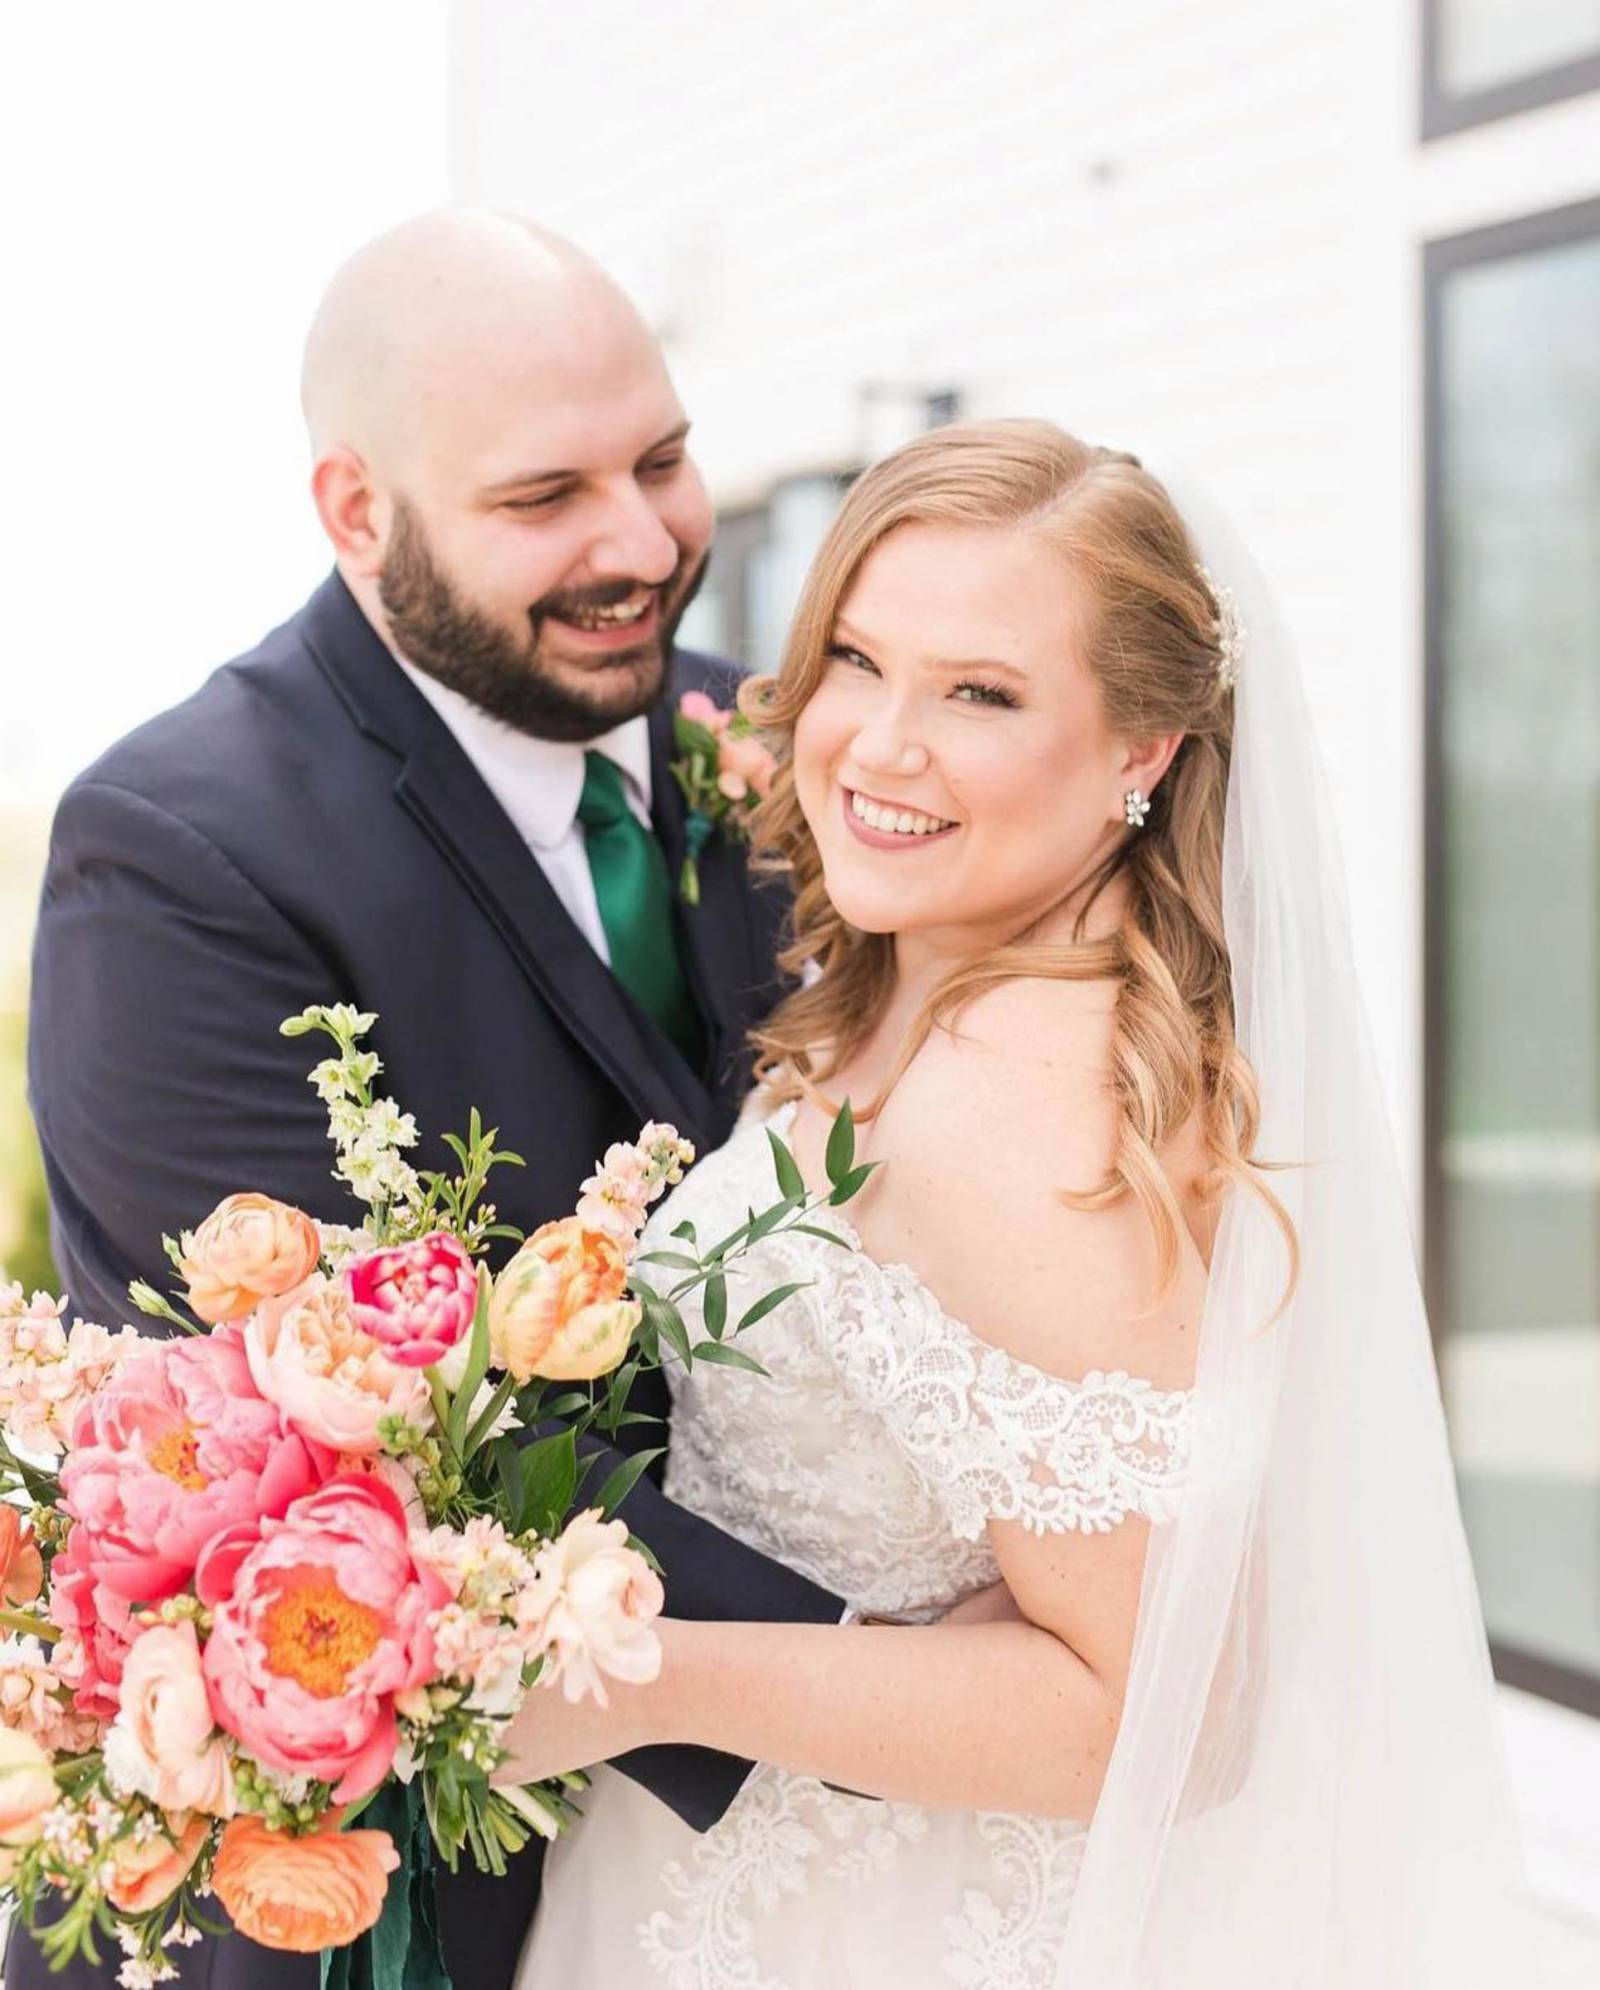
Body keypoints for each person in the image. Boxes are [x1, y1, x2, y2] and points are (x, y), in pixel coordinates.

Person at [504, 420, 1544, 1988]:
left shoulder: (1018, 1097)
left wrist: (629, 1678)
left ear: (1145, 749)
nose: (878, 743)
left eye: (981, 692)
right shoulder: (932, 978)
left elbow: (1158, 1714)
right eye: (856, 657)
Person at [18, 211, 853, 1990]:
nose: (641, 542)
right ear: (355, 512)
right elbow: (365, 1467)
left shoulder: (779, 751)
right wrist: (922, 1690)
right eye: (545, 496)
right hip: (383, 1906)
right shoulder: (176, 853)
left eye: (666, 459)